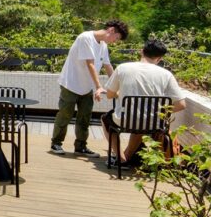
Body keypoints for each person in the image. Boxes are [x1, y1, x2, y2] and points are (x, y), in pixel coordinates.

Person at [102, 40, 187, 169]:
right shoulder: (166, 74)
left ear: (141, 51)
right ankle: (127, 156)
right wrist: (159, 114)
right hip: (153, 122)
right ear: (159, 58)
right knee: (143, 122)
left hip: (125, 120)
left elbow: (109, 95)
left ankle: (120, 158)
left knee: (106, 120)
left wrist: (120, 93)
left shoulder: (123, 68)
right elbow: (181, 104)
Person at [51, 19, 128, 157]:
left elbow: (108, 66)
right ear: (111, 30)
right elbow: (90, 64)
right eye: (116, 38)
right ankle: (56, 143)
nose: (115, 42)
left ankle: (80, 146)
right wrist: (99, 87)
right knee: (65, 114)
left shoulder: (103, 45)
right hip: (71, 83)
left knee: (85, 117)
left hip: (87, 87)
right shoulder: (85, 37)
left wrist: (118, 86)